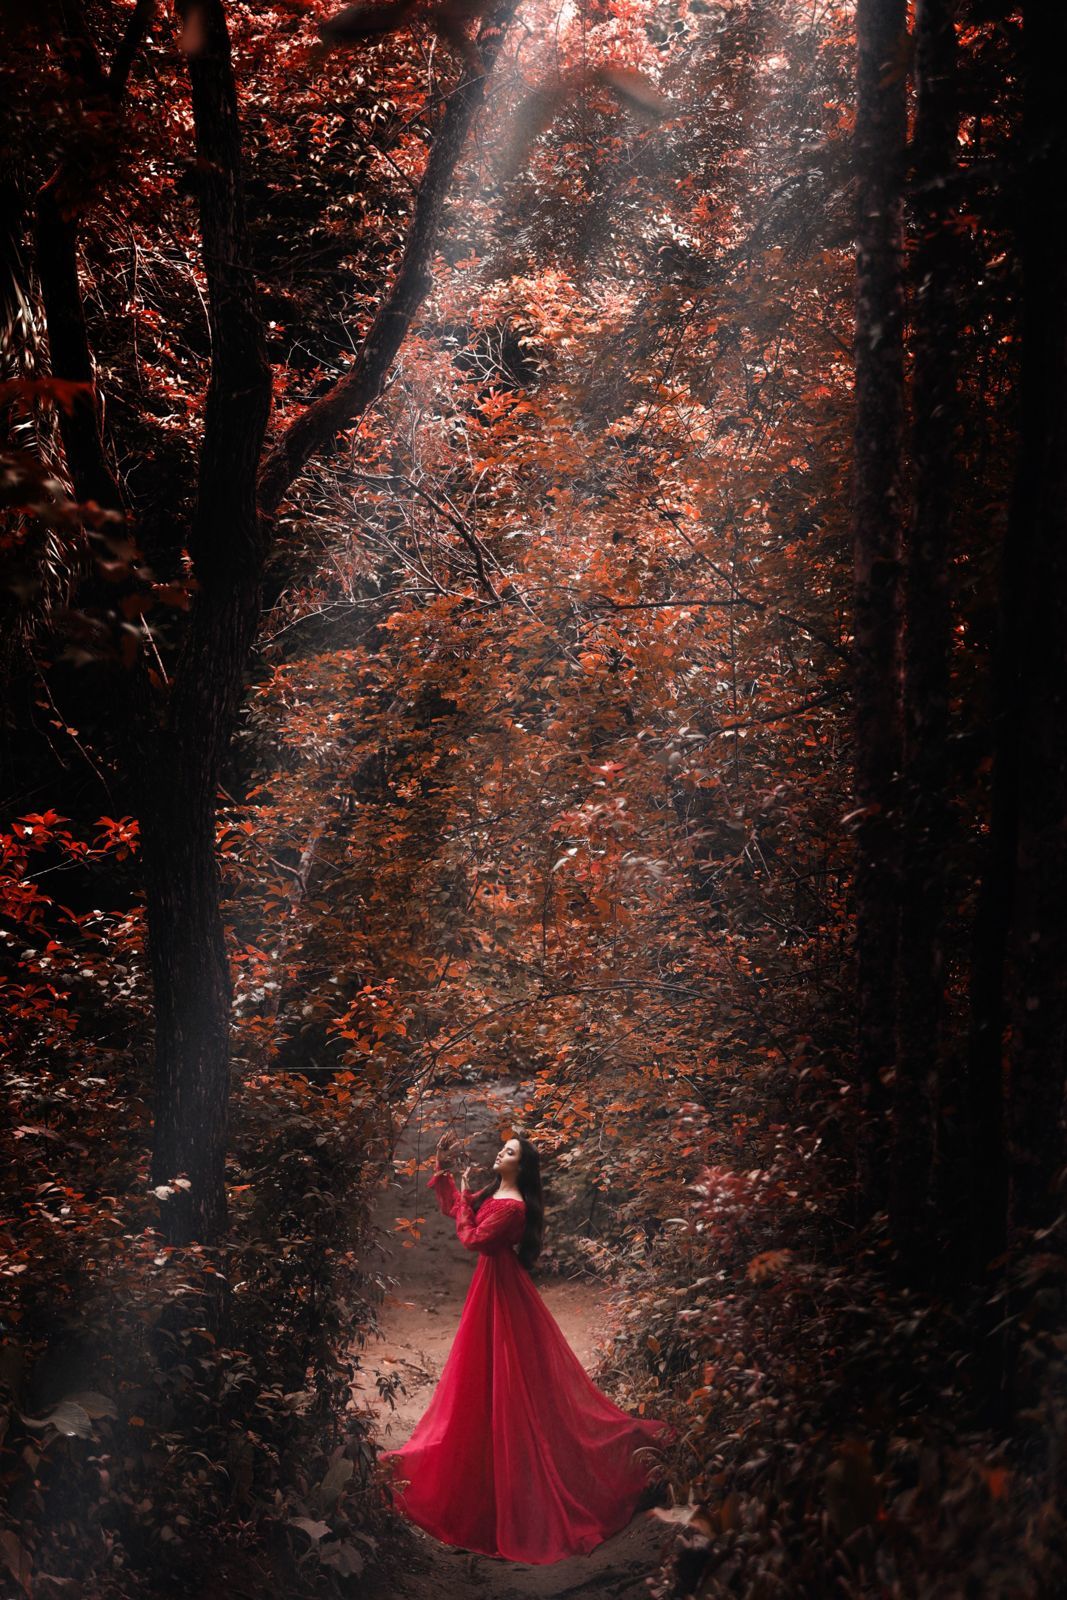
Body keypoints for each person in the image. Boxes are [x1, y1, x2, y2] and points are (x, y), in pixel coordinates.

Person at [380, 1129, 675, 1564]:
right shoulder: (496, 1192)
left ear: (522, 1166)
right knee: (485, 1376)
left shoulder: (514, 1206)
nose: (501, 1153)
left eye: (510, 1151)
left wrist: (464, 1205)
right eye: (504, 1148)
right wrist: (445, 1171)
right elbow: (456, 1209)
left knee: (510, 1377)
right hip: (491, 1287)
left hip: (503, 1293)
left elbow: (474, 1239)